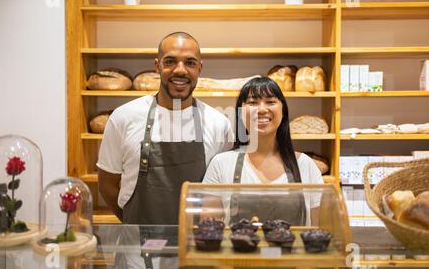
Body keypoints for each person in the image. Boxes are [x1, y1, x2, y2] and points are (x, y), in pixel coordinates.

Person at [97, 32, 233, 225]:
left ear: (200, 68)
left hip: (198, 248)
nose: (180, 70)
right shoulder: (123, 117)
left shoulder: (219, 123)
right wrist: (134, 227)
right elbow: (107, 185)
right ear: (157, 65)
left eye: (190, 63)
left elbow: (221, 192)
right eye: (170, 61)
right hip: (138, 251)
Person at [203, 76, 324, 226]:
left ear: (283, 111)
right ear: (240, 112)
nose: (261, 109)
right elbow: (208, 230)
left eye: (271, 102)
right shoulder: (221, 164)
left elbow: (320, 229)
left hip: (291, 249)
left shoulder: (305, 165)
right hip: (239, 249)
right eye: (253, 103)